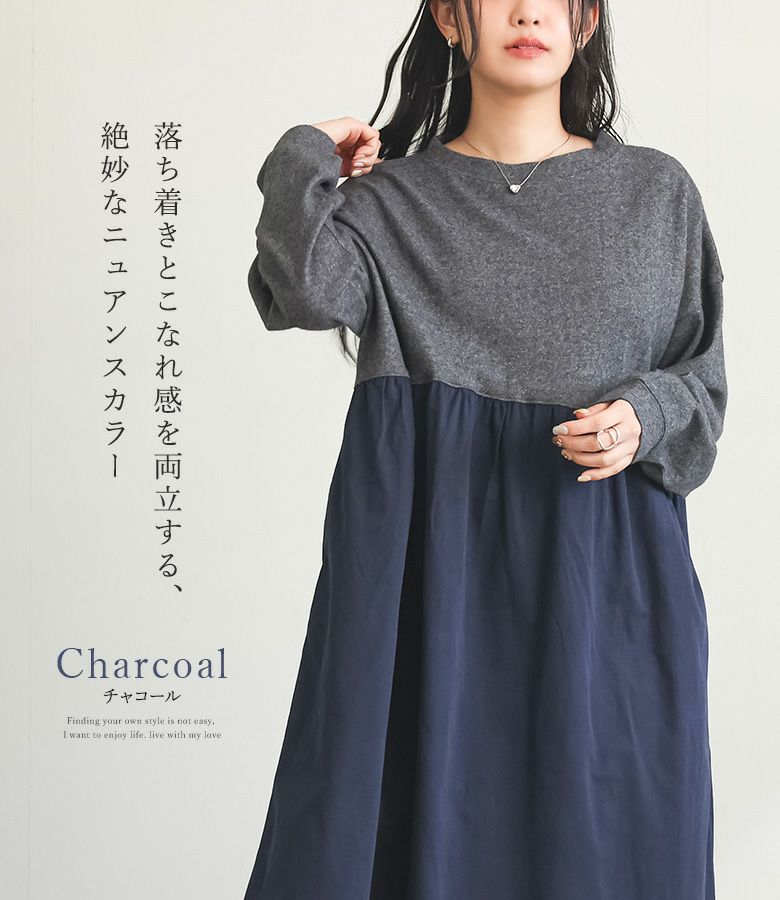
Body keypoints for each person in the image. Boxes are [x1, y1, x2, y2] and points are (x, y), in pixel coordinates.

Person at [242, 1, 726, 898]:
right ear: (448, 16)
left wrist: (642, 415)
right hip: (425, 593)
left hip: (606, 587)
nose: (528, 10)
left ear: (586, 21)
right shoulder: (390, 205)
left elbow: (703, 382)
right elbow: (299, 287)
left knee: (610, 851)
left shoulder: (655, 195)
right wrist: (306, 155)